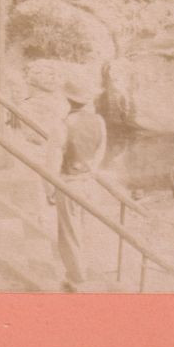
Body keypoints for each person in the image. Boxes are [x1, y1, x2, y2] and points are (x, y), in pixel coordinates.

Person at [51, 77, 108, 292]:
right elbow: (101, 150)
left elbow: (53, 162)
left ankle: (77, 278)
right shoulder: (99, 121)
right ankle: (85, 270)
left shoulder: (63, 125)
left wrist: (51, 189)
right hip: (89, 182)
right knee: (86, 229)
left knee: (69, 232)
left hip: (69, 183)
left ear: (68, 100)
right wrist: (91, 171)